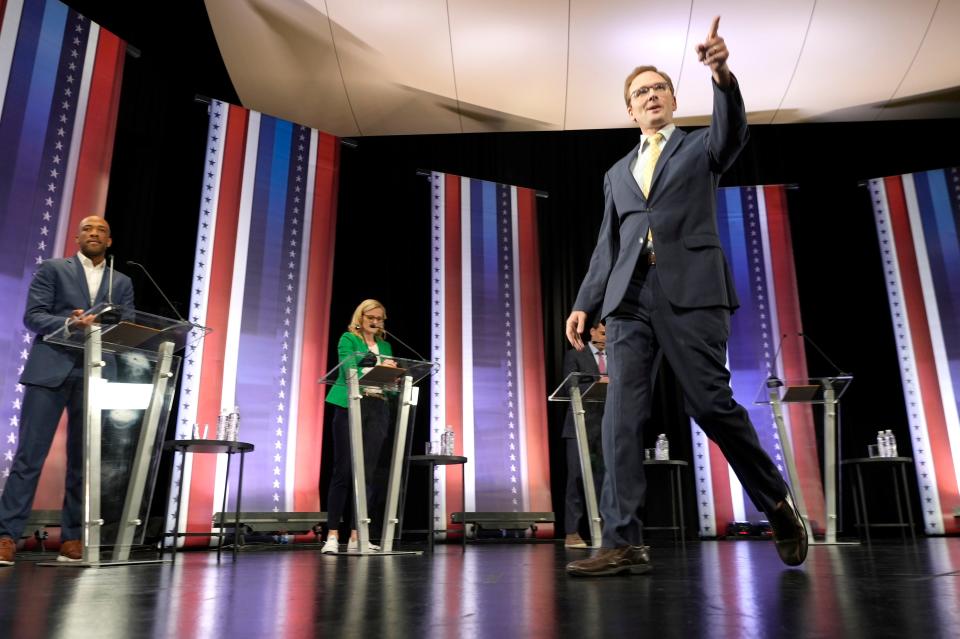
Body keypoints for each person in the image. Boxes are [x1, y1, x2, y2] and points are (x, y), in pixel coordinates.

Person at [564, 17, 807, 577]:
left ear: (673, 99)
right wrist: (584, 301)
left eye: (657, 88)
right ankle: (623, 541)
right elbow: (609, 243)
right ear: (629, 110)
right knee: (619, 419)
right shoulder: (616, 173)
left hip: (692, 293)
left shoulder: (700, 149)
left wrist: (721, 73)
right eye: (639, 93)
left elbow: (733, 133)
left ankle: (775, 500)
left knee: (709, 404)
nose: (649, 97)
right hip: (629, 302)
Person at [0, 216, 134, 566]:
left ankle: (72, 537)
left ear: (109, 240)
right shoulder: (53, 270)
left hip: (95, 372)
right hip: (50, 370)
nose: (94, 233)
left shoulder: (121, 281)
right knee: (30, 457)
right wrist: (68, 323)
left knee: (82, 461)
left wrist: (109, 327)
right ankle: (6, 536)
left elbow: (128, 325)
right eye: (88, 229)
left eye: (101, 230)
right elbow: (33, 317)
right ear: (77, 237)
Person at [322, 299, 396, 554]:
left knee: (367, 473)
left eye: (380, 318)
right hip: (350, 406)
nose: (375, 322)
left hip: (377, 408)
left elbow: (391, 384)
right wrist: (379, 368)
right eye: (371, 317)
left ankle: (357, 536)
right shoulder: (348, 340)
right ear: (361, 317)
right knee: (343, 470)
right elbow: (348, 372)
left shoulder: (385, 345)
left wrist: (395, 381)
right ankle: (332, 535)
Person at [561, 322, 607, 548]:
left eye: (609, 334)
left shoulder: (615, 357)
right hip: (579, 425)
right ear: (591, 331)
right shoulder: (575, 354)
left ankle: (606, 530)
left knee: (604, 480)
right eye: (602, 332)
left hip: (606, 427)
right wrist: (598, 382)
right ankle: (572, 532)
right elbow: (570, 385)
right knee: (577, 479)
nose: (605, 337)